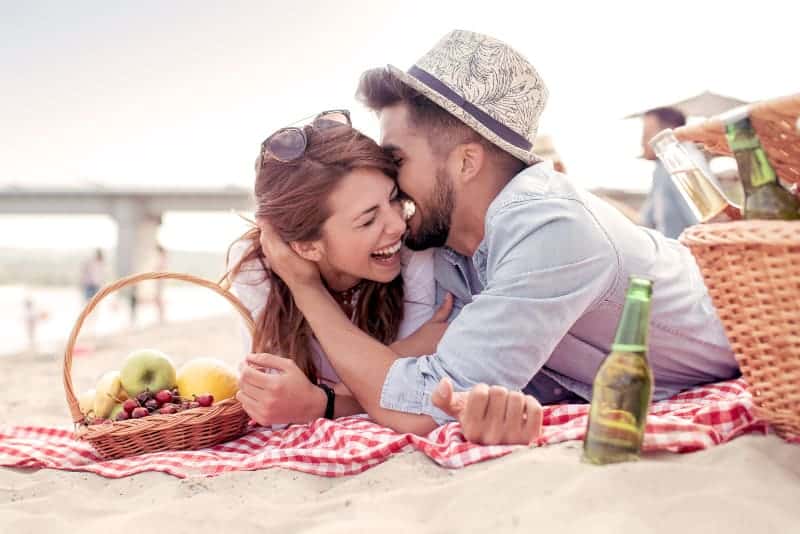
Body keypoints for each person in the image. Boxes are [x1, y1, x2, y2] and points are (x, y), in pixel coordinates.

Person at [255, 30, 740, 445]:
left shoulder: (551, 230)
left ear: (466, 162)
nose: (391, 182)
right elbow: (437, 390)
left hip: (752, 331)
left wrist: (305, 287)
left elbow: (421, 408)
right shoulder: (450, 245)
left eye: (397, 160)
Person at [227, 111, 542, 444]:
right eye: (368, 220)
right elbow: (275, 403)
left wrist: (320, 400)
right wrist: (405, 351)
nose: (398, 225)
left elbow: (418, 394)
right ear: (306, 247)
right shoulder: (258, 270)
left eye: (393, 199)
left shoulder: (415, 256)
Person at [639, 107, 713, 238]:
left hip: (690, 255)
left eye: (646, 135)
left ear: (667, 134)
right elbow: (646, 221)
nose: (641, 142)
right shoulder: (661, 169)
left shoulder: (683, 165)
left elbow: (708, 226)